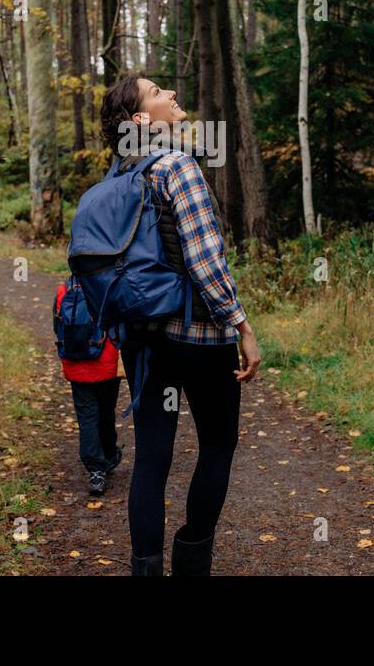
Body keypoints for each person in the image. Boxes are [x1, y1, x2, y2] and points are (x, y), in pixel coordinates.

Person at [98, 74, 261, 576]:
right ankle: (192, 557)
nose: (171, 94)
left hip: (143, 340)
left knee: (152, 456)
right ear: (143, 119)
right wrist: (241, 326)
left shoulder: (115, 179)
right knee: (217, 442)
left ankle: (145, 568)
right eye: (156, 92)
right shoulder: (178, 166)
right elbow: (206, 261)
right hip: (197, 336)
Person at [53, 283, 123, 496]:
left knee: (86, 416)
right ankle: (109, 455)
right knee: (106, 410)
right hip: (106, 363)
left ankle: (95, 470)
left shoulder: (63, 289)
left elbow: (58, 327)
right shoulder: (110, 286)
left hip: (76, 364)